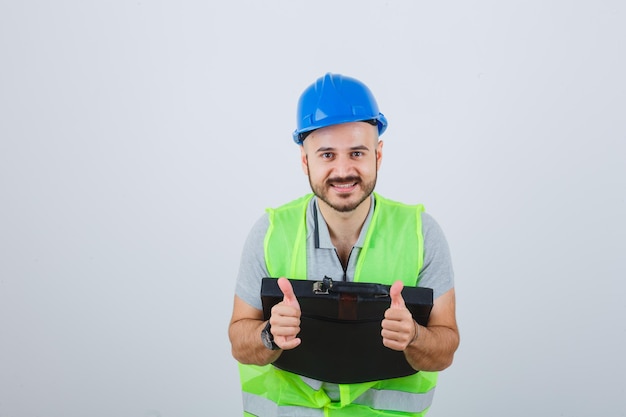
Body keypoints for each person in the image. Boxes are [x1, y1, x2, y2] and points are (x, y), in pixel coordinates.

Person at [228, 72, 459, 416]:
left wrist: (414, 336)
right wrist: (269, 334)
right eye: (326, 155)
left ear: (378, 155)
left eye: (356, 152)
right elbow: (239, 340)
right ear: (305, 161)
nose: (343, 169)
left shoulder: (421, 234)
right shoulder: (270, 232)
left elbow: (445, 349)